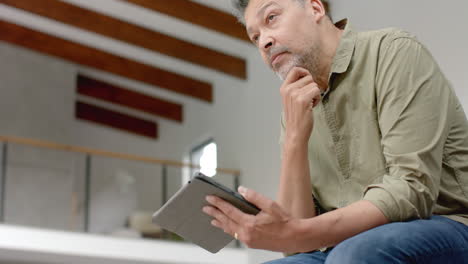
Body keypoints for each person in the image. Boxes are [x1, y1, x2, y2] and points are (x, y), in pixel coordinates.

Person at [203, 0, 468, 263]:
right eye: (255, 37)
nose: (264, 42)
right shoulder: (296, 105)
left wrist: (297, 232)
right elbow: (296, 248)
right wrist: (294, 138)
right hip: (346, 244)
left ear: (316, 8)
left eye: (271, 18)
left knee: (353, 254)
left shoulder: (393, 52)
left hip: (445, 222)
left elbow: (412, 190)